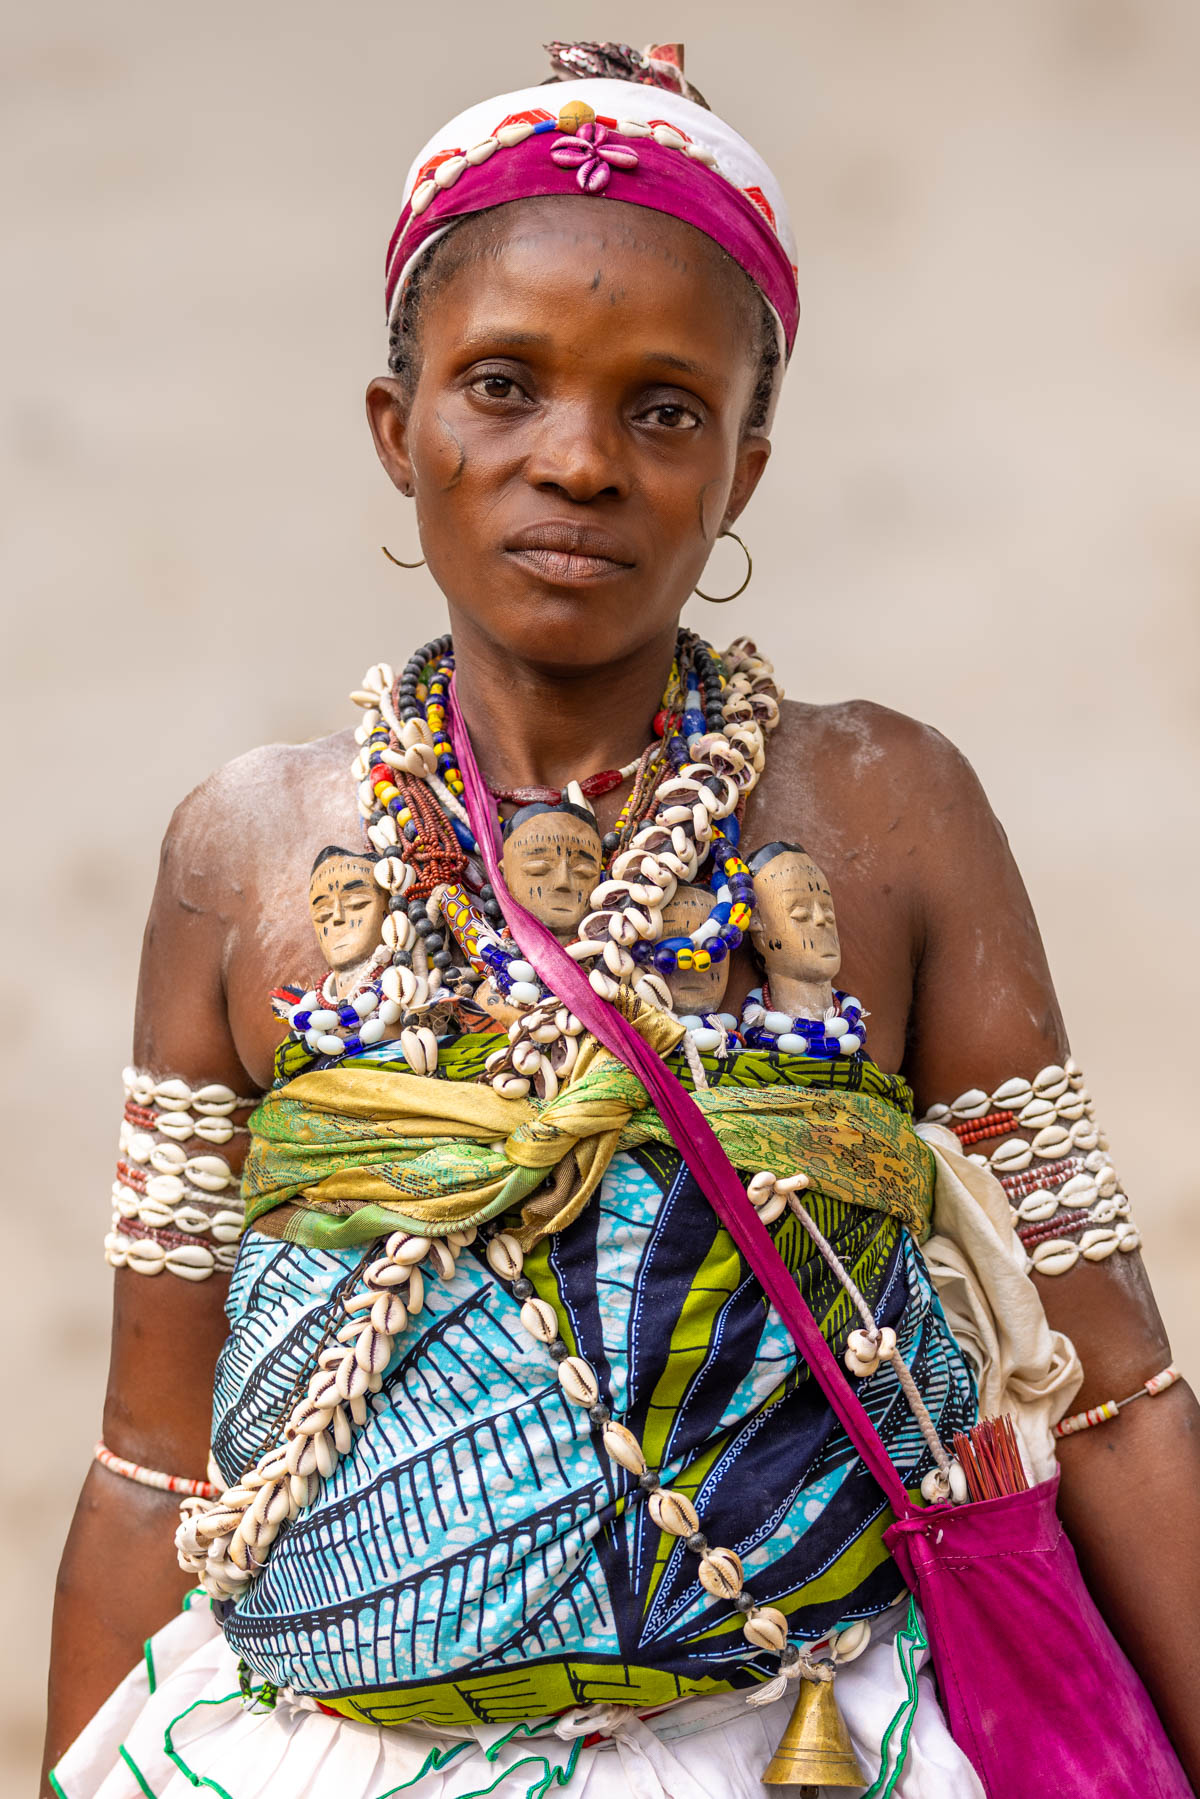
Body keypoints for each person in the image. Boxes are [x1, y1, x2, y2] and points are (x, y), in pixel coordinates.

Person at [42, 40, 1199, 1799]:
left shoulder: (883, 817)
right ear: (396, 429)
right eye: (502, 386)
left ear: (745, 465)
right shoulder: (251, 854)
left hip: (804, 1750)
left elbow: (1110, 1389)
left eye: (663, 409)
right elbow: (152, 1464)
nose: (576, 461)